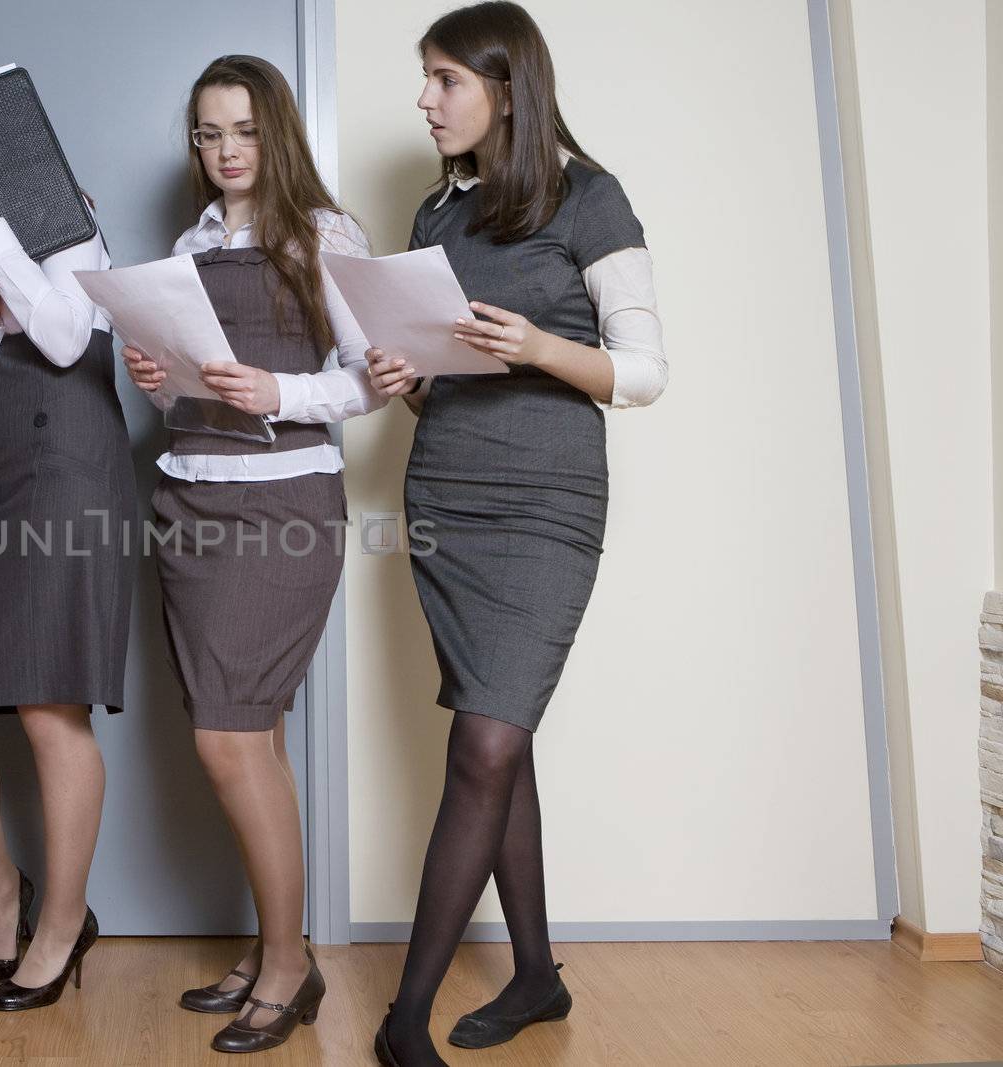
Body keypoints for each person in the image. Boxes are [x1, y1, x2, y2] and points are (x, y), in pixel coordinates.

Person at [363, 4, 668, 1063]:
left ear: (505, 87)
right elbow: (427, 389)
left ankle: (403, 1018)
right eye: (424, 78)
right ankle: (535, 975)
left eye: (444, 79)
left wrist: (539, 342)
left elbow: (643, 372)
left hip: (545, 502)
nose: (425, 99)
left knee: (484, 739)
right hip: (445, 495)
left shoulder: (590, 196)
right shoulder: (431, 221)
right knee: (504, 739)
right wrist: (401, 379)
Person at [122, 53, 385, 1055]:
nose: (223, 151)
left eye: (240, 130)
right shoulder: (187, 240)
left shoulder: (327, 235)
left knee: (228, 742)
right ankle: (275, 943)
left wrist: (283, 395)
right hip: (188, 493)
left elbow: (370, 377)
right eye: (205, 133)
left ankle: (288, 964)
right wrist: (155, 378)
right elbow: (181, 386)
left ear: (276, 132)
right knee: (250, 739)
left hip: (282, 504)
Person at [0, 76, 138, 1013]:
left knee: (52, 713)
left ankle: (62, 925)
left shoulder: (69, 224)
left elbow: (65, 335)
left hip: (75, 478)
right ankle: (6, 898)